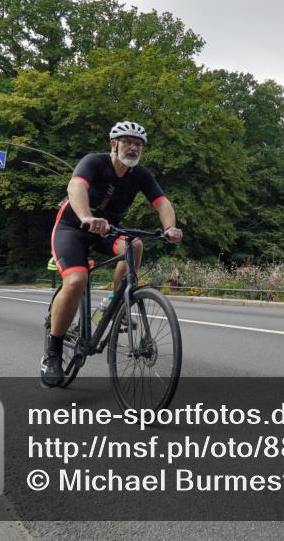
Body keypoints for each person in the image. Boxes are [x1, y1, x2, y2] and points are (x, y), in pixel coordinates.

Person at [43, 121, 183, 387]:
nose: (133, 148)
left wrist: (170, 228)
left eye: (138, 144)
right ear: (114, 144)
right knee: (76, 281)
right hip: (73, 227)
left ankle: (116, 300)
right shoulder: (94, 162)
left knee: (135, 245)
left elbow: (162, 202)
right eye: (128, 142)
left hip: (107, 229)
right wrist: (86, 216)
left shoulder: (141, 175)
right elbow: (76, 187)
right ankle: (53, 353)